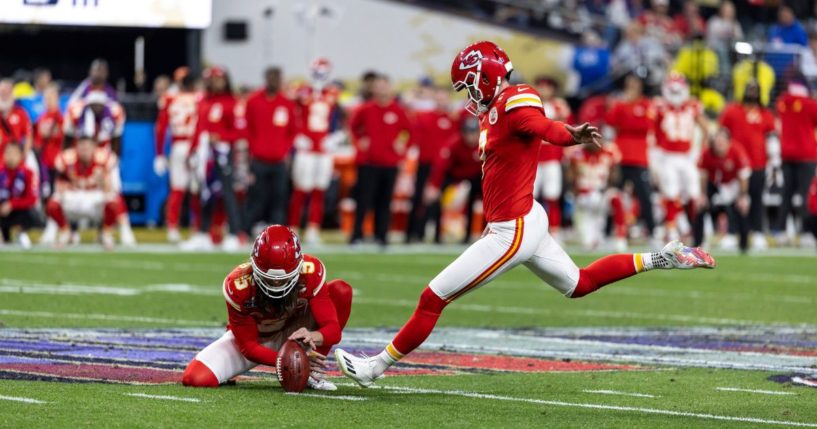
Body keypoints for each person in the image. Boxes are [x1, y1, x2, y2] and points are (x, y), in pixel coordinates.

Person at [334, 41, 715, 387]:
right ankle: (662, 257)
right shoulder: (494, 109)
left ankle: (375, 367)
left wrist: (570, 134)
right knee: (579, 283)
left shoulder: (516, 99)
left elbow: (541, 126)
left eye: (470, 85)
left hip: (513, 229)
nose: (468, 95)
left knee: (432, 298)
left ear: (486, 78)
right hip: (523, 219)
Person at [182, 225, 353, 391]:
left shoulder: (310, 272)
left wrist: (313, 336)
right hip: (259, 339)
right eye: (268, 279)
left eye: (284, 279)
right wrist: (286, 360)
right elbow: (248, 346)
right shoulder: (238, 285)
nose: (276, 284)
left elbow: (333, 330)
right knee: (195, 378)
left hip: (295, 332)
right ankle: (302, 365)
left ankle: (313, 371)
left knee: (341, 290)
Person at [182, 66, 244, 251]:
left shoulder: (232, 102)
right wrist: (191, 151)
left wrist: (222, 136)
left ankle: (234, 233)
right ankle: (203, 233)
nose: (216, 83)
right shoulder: (203, 101)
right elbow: (199, 129)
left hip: (223, 153)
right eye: (212, 79)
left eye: (219, 79)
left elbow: (241, 131)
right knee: (205, 194)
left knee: (227, 193)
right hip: (204, 154)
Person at [348, 75, 412, 246]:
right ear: (373, 89)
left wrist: (401, 145)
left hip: (390, 163)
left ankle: (381, 236)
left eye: (384, 86)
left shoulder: (398, 110)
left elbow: (408, 131)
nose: (382, 90)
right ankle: (356, 235)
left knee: (384, 201)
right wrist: (360, 140)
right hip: (368, 163)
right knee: (363, 200)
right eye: (378, 86)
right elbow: (353, 127)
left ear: (389, 88)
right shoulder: (365, 109)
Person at [288, 59, 344, 244]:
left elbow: (337, 119)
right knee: (300, 189)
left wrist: (335, 137)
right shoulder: (302, 91)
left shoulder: (333, 93)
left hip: (324, 149)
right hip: (306, 148)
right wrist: (296, 136)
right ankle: (294, 227)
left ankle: (313, 227)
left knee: (319, 190)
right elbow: (293, 116)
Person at [43, 137, 130, 249]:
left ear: (94, 147)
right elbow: (58, 186)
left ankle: (106, 232)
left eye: (88, 147)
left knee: (114, 200)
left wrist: (102, 182)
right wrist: (71, 185)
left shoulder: (104, 158)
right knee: (53, 203)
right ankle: (65, 232)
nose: (85, 151)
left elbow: (110, 188)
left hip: (94, 198)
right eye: (82, 147)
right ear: (76, 147)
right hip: (74, 197)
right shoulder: (67, 158)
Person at [719, 81, 776, 249]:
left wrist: (774, 164)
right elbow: (722, 134)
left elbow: (771, 139)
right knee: (733, 200)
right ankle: (732, 233)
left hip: (758, 163)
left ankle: (757, 232)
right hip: (735, 165)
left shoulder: (765, 114)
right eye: (749, 89)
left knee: (757, 200)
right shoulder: (732, 111)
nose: (752, 93)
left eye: (754, 90)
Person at [653, 73, 709, 241]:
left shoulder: (693, 106)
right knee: (671, 192)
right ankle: (672, 229)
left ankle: (695, 229)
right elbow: (652, 131)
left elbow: (705, 128)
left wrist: (701, 150)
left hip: (687, 156)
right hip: (667, 156)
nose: (675, 93)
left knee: (693, 193)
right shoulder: (659, 106)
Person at [606, 73, 656, 242]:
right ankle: (608, 230)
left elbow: (645, 126)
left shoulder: (646, 104)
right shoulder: (621, 104)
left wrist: (626, 118)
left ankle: (652, 230)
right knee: (614, 195)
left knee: (644, 196)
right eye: (629, 84)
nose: (632, 87)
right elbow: (610, 120)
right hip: (621, 156)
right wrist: (627, 110)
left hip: (639, 157)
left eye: (635, 84)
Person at [406, 86, 456, 243]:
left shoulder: (453, 120)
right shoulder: (424, 117)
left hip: (444, 167)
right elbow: (413, 137)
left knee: (440, 201)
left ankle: (437, 235)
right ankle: (413, 233)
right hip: (425, 164)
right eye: (439, 97)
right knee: (419, 198)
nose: (441, 100)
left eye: (444, 97)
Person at [154, 73, 200, 243]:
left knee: (178, 189)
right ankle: (198, 227)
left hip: (179, 145)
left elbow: (161, 127)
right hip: (196, 145)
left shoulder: (170, 98)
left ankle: (173, 227)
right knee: (196, 189)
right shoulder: (199, 98)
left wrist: (159, 153)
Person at [424, 114, 483, 244]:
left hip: (475, 176)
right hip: (454, 175)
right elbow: (441, 166)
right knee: (437, 200)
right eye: (467, 133)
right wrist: (434, 186)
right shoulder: (454, 144)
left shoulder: (483, 144)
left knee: (482, 203)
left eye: (473, 133)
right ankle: (437, 235)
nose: (470, 137)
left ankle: (474, 235)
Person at [773, 76, 817, 245]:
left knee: (787, 194)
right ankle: (806, 232)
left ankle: (782, 231)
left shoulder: (782, 102)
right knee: (806, 195)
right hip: (807, 155)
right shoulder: (811, 104)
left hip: (787, 154)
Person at [694, 128, 751, 252]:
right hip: (714, 183)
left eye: (722, 141)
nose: (719, 145)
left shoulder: (737, 151)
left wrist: (743, 196)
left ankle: (744, 244)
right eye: (717, 141)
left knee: (741, 207)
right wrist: (702, 195)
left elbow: (743, 176)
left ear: (728, 142)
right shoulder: (707, 153)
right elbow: (703, 175)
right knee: (700, 206)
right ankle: (697, 243)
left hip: (732, 182)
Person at [568, 140, 627, 251]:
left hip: (601, 195)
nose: (593, 142)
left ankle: (620, 237)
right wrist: (574, 188)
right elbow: (570, 176)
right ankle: (594, 235)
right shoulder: (576, 153)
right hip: (583, 198)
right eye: (589, 138)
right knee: (589, 244)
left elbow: (615, 174)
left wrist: (609, 184)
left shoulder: (609, 152)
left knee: (616, 197)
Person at [533, 76, 571, 240]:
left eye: (547, 86)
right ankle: (532, 230)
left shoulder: (559, 106)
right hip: (534, 157)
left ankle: (554, 230)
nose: (544, 90)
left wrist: (564, 153)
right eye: (541, 86)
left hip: (552, 157)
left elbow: (568, 129)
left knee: (552, 195)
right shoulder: (532, 105)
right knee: (530, 196)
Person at [0, 143, 38, 249]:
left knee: (32, 214)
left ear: (20, 155)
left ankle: (21, 232)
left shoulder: (28, 172)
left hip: (18, 211)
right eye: (8, 153)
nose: (11, 156)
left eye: (14, 153)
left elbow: (32, 199)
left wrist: (12, 204)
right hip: (1, 211)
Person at [0, 79, 33, 164]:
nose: (5, 95)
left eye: (7, 92)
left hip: (15, 159)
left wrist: (24, 155)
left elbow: (28, 136)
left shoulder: (21, 113)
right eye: (2, 92)